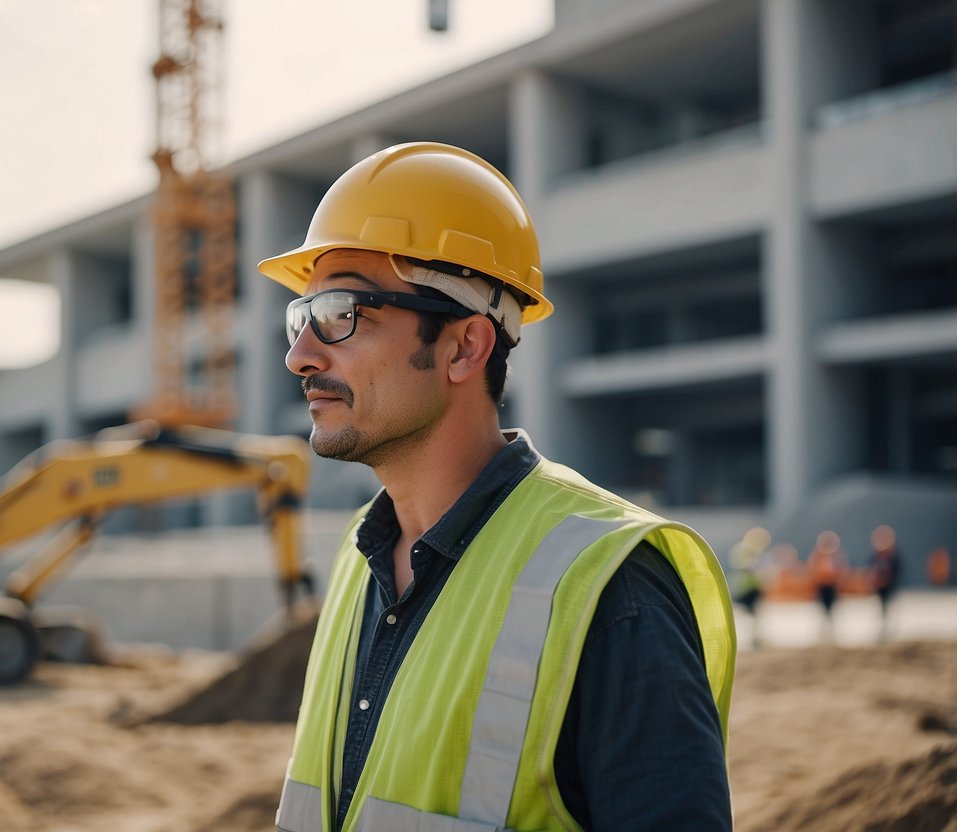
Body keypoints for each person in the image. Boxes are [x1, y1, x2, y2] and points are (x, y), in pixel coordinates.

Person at [260, 142, 736, 832]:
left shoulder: (607, 583)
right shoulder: (355, 564)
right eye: (300, 318)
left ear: (464, 348)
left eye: (340, 313)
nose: (299, 354)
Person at [807, 530, 845, 639]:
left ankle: (830, 628)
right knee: (823, 607)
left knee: (831, 607)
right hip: (822, 586)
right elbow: (813, 571)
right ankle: (825, 628)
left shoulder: (836, 555)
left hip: (832, 585)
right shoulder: (817, 556)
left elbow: (841, 570)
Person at [868, 525, 901, 640]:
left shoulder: (893, 555)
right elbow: (871, 569)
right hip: (880, 586)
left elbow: (896, 571)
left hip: (889, 585)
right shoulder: (875, 556)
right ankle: (883, 627)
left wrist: (889, 580)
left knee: (889, 606)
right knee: (882, 606)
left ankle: (889, 628)